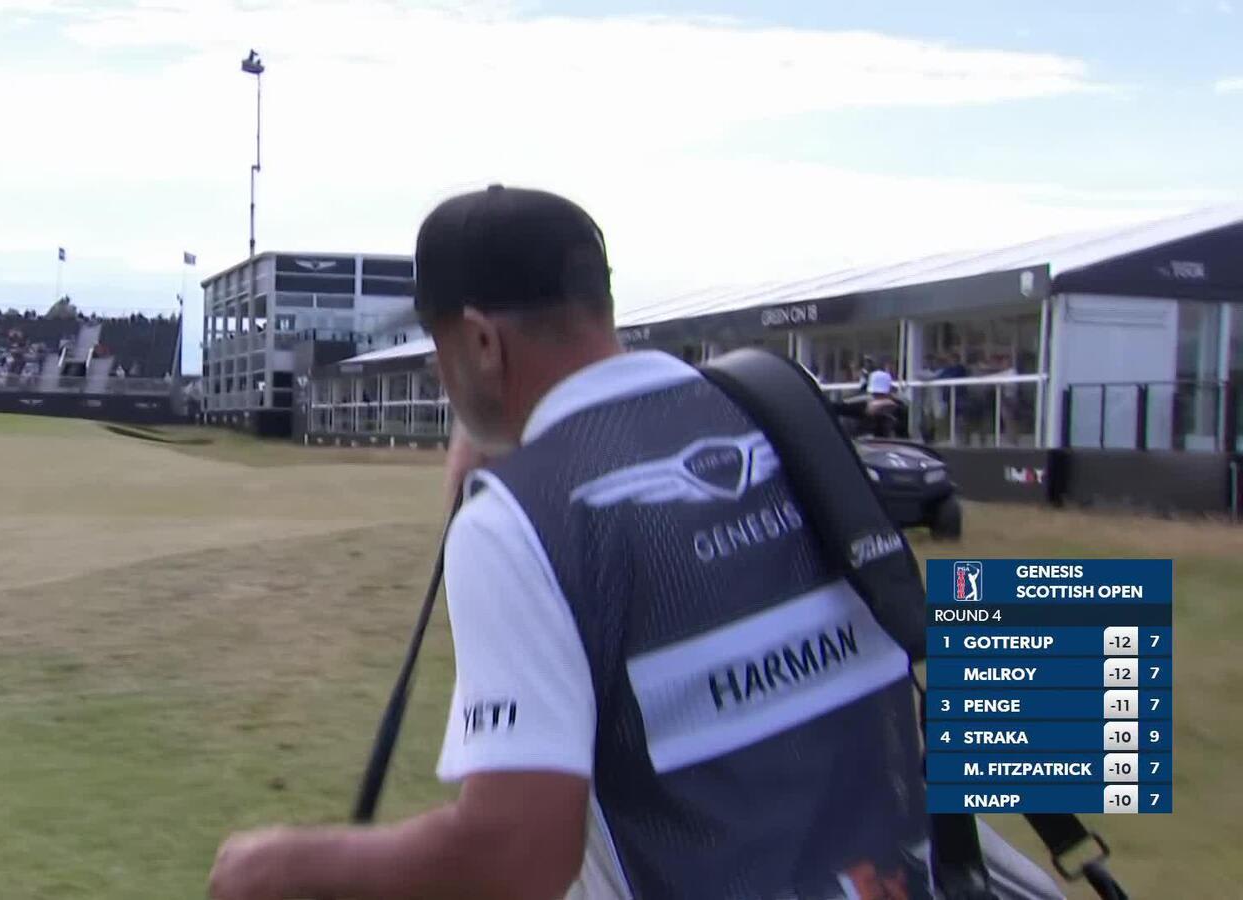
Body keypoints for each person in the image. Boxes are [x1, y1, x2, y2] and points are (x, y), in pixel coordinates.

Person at [208, 186, 934, 900]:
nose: (438, 369)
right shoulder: (778, 402)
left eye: (441, 344)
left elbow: (518, 859)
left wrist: (281, 868)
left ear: (484, 342)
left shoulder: (516, 519)